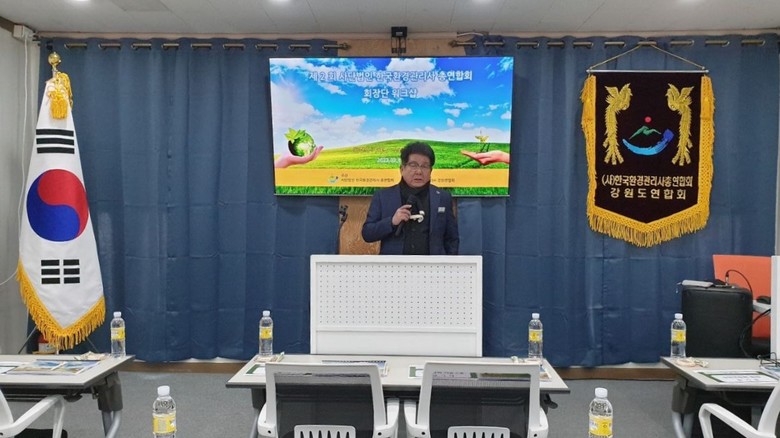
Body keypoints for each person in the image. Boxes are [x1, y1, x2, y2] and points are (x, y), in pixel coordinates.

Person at [362, 142, 459, 255]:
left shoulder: (443, 197)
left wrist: (447, 263)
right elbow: (367, 234)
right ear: (402, 169)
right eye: (413, 165)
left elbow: (452, 239)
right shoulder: (383, 196)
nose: (419, 171)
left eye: (424, 166)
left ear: (431, 171)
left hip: (432, 265)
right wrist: (392, 222)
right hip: (395, 264)